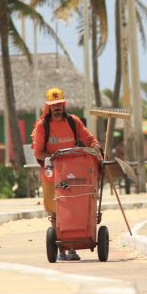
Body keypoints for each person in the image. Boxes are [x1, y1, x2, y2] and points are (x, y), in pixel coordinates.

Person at [31, 87, 101, 261]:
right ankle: (61, 248)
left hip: (74, 174)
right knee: (56, 212)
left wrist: (96, 148)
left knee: (74, 208)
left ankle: (72, 248)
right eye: (53, 105)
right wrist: (53, 158)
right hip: (51, 177)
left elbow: (89, 139)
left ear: (64, 104)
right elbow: (38, 153)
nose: (57, 108)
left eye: (59, 104)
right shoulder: (42, 126)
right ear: (48, 107)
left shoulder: (73, 122)